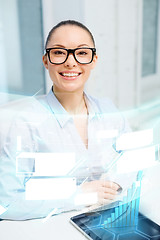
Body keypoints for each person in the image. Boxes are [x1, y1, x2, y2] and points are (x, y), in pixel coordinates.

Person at [0, 20, 135, 220]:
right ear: (46, 61)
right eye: (59, 52)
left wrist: (115, 183)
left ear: (94, 60)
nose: (70, 62)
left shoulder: (107, 109)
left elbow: (134, 158)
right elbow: (7, 202)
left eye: (81, 53)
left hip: (108, 217)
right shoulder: (26, 123)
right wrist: (77, 195)